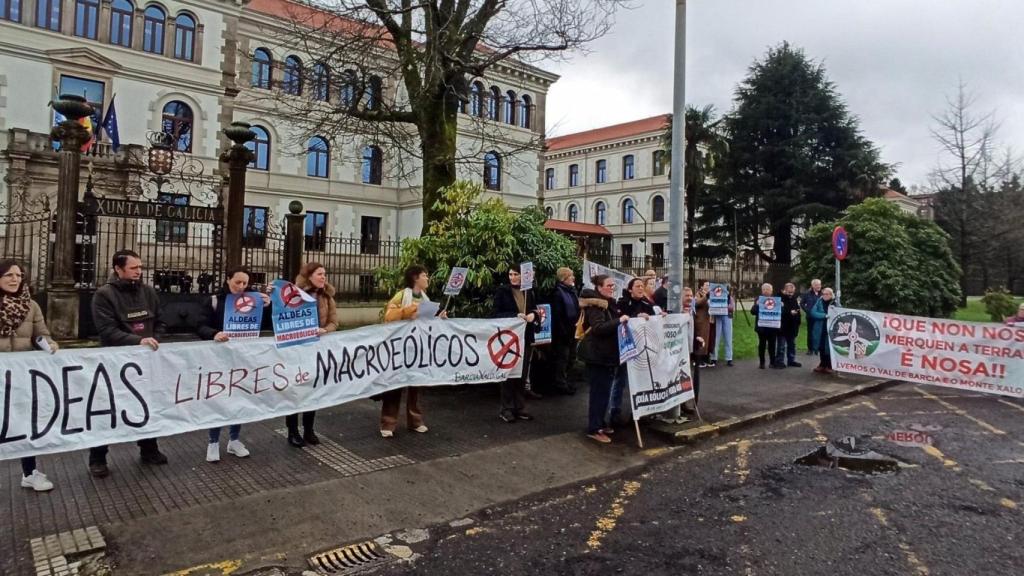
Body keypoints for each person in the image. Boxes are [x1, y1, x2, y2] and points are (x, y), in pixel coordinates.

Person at [88, 249, 168, 478]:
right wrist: (138, 340)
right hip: (116, 361)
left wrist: (154, 339)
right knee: (108, 410)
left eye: (140, 267)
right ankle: (98, 457)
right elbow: (107, 331)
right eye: (134, 268)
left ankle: (149, 449)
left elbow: (161, 321)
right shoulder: (104, 295)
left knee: (147, 404)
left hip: (146, 359)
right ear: (118, 269)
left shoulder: (149, 292)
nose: (139, 272)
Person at [197, 266, 271, 462]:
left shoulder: (254, 299)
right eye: (237, 282)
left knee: (239, 398)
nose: (241, 286)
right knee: (218, 398)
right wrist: (214, 334)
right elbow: (200, 325)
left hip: (242, 357)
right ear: (228, 279)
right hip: (218, 357)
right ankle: (213, 442)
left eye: (245, 283)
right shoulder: (214, 300)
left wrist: (268, 305)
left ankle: (234, 440)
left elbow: (265, 325)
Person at [0, 260, 58, 491]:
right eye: (9, 275)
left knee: (25, 422)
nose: (15, 279)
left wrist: (48, 343)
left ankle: (29, 472)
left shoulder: (31, 305)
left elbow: (40, 334)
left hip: (21, 375)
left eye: (19, 275)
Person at [380, 265, 447, 437]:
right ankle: (388, 423)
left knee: (416, 384)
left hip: (418, 347)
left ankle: (415, 420)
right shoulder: (402, 295)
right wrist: (408, 312)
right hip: (399, 347)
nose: (427, 279)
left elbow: (428, 321)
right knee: (394, 386)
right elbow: (389, 315)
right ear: (415, 278)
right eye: (425, 275)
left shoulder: (426, 298)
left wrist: (439, 318)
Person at [284, 262, 338, 447]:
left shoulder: (327, 297)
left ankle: (309, 430)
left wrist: (325, 330)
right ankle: (292, 431)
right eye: (319, 274)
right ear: (309, 277)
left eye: (325, 274)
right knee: (296, 390)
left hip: (316, 350)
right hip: (297, 350)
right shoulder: (294, 297)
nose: (324, 277)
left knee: (313, 390)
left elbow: (334, 322)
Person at [579, 275, 627, 444]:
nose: (611, 288)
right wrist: (618, 322)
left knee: (604, 392)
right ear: (599, 287)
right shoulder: (595, 306)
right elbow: (599, 328)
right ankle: (594, 428)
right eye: (608, 286)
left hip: (607, 355)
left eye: (613, 286)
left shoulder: (609, 304)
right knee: (598, 393)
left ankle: (601, 422)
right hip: (597, 355)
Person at [492, 264, 542, 423]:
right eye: (510, 274)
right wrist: (515, 315)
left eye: (516, 274)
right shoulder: (503, 291)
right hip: (508, 339)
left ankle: (519, 407)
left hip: (525, 337)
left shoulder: (529, 291)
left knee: (522, 373)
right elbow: (495, 314)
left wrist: (534, 315)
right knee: (508, 373)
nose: (512, 277)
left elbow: (535, 309)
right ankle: (506, 409)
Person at [609, 278, 657, 427]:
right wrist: (636, 318)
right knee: (620, 380)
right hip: (626, 349)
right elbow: (620, 321)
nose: (641, 288)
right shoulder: (622, 303)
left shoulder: (647, 304)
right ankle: (614, 412)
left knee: (641, 380)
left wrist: (659, 318)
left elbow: (654, 321)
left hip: (643, 349)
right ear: (630, 289)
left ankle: (638, 412)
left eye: (642, 286)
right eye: (637, 286)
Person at [548, 267, 580, 395]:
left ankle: (566, 381)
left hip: (573, 329)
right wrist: (563, 332)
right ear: (563, 278)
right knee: (563, 358)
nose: (573, 278)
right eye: (570, 276)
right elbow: (557, 315)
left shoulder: (571, 291)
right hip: (563, 333)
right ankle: (560, 383)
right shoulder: (557, 293)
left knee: (571, 357)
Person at [750, 282, 783, 369]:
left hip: (772, 327)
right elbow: (752, 312)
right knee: (762, 345)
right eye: (764, 289)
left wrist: (781, 307)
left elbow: (780, 313)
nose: (765, 291)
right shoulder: (759, 299)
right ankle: (762, 362)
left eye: (768, 289)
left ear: (771, 291)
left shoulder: (776, 300)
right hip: (762, 327)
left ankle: (772, 362)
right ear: (761, 290)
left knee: (772, 345)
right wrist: (756, 305)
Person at [777, 282, 802, 368]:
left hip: (793, 326)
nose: (791, 294)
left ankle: (791, 360)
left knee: (792, 345)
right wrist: (789, 312)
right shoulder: (779, 299)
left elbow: (798, 311)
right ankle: (779, 361)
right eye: (789, 292)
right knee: (781, 345)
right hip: (783, 325)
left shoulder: (794, 299)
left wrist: (798, 322)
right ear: (784, 290)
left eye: (792, 292)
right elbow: (778, 311)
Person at [810, 287, 835, 374]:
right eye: (823, 294)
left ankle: (830, 365)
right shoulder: (819, 302)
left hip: (831, 329)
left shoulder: (835, 303)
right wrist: (824, 315)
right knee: (821, 346)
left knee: (829, 347)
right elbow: (813, 313)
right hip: (820, 328)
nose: (825, 296)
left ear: (831, 295)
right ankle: (822, 364)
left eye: (827, 294)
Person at [710, 284, 734, 367]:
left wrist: (726, 306)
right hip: (717, 317)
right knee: (716, 337)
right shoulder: (714, 296)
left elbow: (732, 308)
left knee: (728, 337)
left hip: (727, 317)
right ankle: (714, 358)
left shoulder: (729, 298)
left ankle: (729, 358)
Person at [800, 279, 823, 355]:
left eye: (819, 284)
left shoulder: (823, 294)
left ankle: (819, 348)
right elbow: (802, 303)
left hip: (820, 316)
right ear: (812, 286)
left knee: (820, 332)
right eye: (816, 285)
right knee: (810, 333)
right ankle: (810, 349)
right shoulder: (807, 294)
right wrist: (807, 311)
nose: (818, 286)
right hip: (810, 317)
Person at [694, 282, 712, 367]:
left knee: (707, 339)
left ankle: (705, 357)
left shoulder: (710, 295)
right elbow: (697, 303)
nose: (708, 287)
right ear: (702, 286)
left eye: (709, 285)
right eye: (706, 285)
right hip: (700, 320)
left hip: (707, 320)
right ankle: (698, 359)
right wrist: (706, 296)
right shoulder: (698, 294)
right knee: (701, 338)